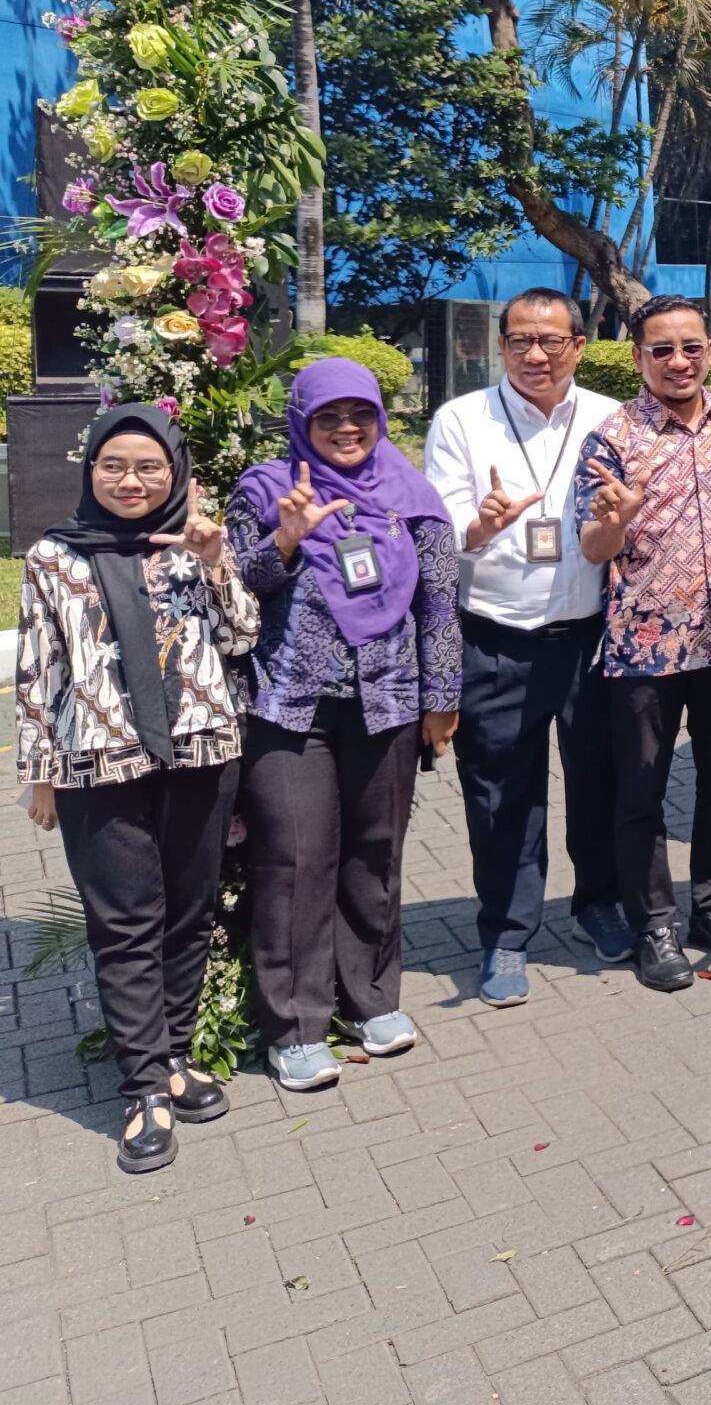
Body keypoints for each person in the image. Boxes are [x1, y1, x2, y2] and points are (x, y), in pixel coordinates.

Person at [17, 409, 257, 1171]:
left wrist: (218, 563)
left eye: (150, 467)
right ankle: (143, 1088)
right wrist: (40, 774)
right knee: (124, 926)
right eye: (114, 465)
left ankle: (178, 1057)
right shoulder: (55, 556)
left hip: (201, 754)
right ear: (90, 469)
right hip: (100, 762)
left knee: (189, 914)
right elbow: (37, 670)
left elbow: (243, 638)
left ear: (175, 472)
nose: (131, 480)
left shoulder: (197, 545)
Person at [229, 358, 461, 1091]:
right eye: (328, 417)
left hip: (388, 704)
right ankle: (293, 1026)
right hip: (288, 707)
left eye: (360, 414)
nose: (347, 429)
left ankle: (370, 1000)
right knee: (295, 862)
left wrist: (442, 697)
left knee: (375, 852)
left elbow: (441, 606)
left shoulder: (411, 494)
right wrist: (285, 542)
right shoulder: (267, 489)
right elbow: (229, 595)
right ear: (302, 421)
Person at [421, 287, 625, 1005]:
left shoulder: (610, 417)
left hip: (590, 639)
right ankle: (506, 935)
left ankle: (599, 902)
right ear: (499, 346)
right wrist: (479, 526)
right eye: (519, 341)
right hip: (495, 639)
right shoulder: (461, 420)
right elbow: (437, 532)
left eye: (551, 340)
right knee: (501, 796)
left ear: (579, 342)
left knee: (600, 783)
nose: (535, 355)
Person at [575, 295, 711, 994]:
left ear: (710, 350)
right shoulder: (614, 437)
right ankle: (654, 925)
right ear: (637, 357)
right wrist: (618, 519)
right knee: (641, 793)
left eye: (690, 347)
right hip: (642, 648)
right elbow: (591, 546)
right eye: (660, 349)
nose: (677, 361)